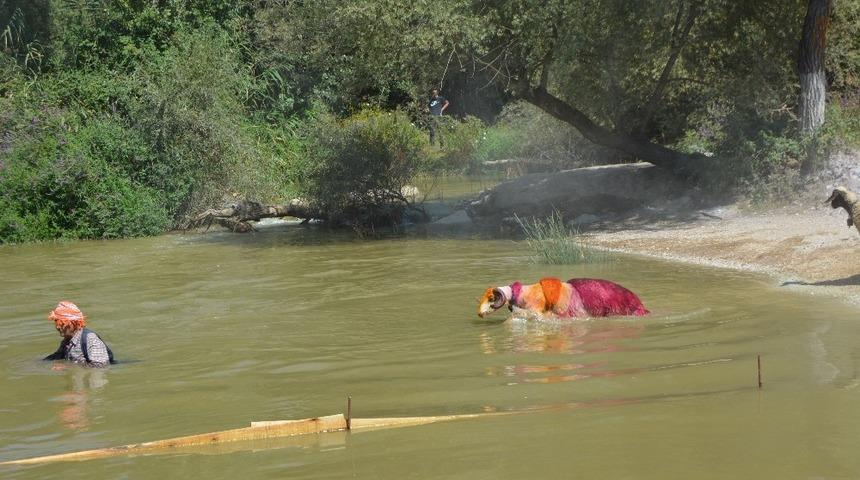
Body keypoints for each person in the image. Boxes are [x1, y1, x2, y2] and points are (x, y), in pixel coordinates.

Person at [43, 301, 115, 367]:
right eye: (56, 322)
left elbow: (101, 366)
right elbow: (57, 356)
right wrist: (38, 363)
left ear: (73, 323)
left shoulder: (90, 339)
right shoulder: (67, 341)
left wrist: (67, 367)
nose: (58, 327)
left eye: (62, 323)